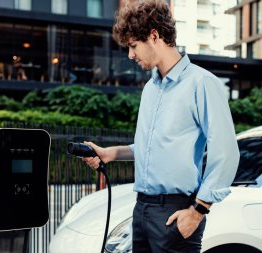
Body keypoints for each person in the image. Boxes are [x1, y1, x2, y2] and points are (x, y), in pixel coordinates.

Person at [82, 0, 240, 252]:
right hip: (141, 208)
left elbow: (226, 153)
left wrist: (198, 211)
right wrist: (110, 153)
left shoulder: (202, 83)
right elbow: (153, 146)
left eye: (134, 46)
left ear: (154, 36)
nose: (130, 55)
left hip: (176, 211)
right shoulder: (151, 89)